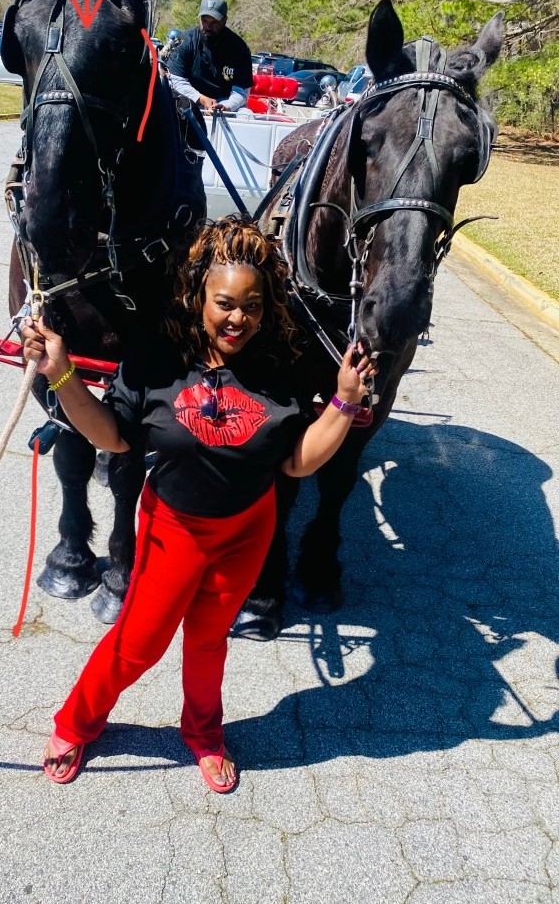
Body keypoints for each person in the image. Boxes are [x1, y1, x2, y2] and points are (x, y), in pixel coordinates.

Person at [21, 217, 377, 793]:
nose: (239, 319)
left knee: (210, 640)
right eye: (225, 304)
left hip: (247, 530)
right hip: (173, 529)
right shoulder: (156, 358)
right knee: (138, 644)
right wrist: (61, 373)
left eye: (253, 306)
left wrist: (344, 401)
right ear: (198, 297)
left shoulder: (280, 364)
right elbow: (112, 437)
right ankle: (75, 722)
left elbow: (296, 463)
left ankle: (204, 732)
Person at [167, 0, 253, 113]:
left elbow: (241, 90)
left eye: (214, 22)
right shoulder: (185, 41)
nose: (208, 26)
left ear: (224, 21)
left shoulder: (239, 48)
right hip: (190, 100)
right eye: (204, 21)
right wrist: (201, 99)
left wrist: (227, 106)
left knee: (247, 115)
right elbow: (176, 81)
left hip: (226, 103)